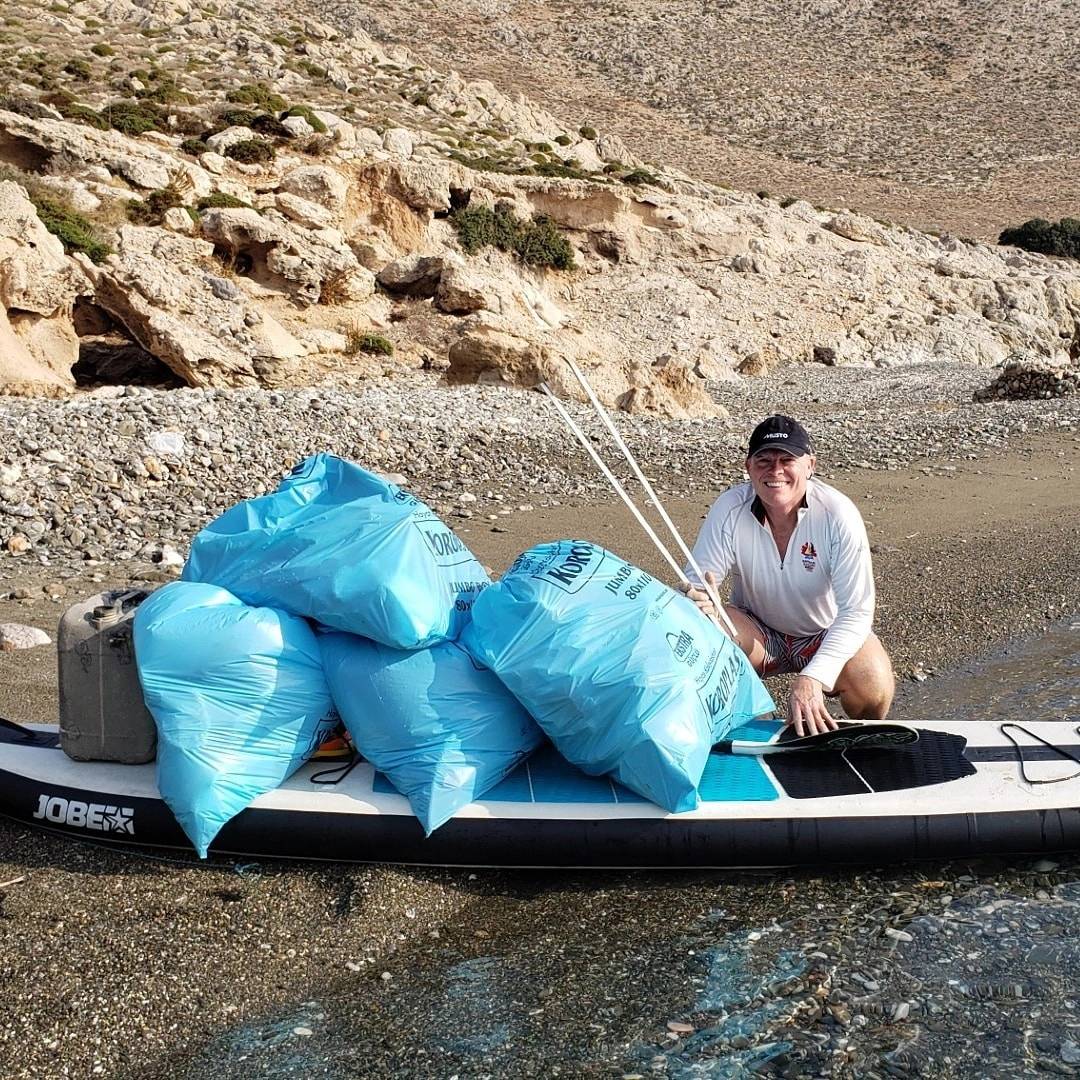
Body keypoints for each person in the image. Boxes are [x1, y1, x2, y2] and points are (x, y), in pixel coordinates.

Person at [684, 414, 894, 736]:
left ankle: (863, 740)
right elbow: (696, 586)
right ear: (748, 467)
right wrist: (697, 602)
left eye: (787, 460)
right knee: (702, 628)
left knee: (872, 679)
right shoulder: (729, 508)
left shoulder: (838, 515)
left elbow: (856, 612)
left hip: (822, 633)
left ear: (810, 465)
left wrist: (814, 677)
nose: (775, 471)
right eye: (764, 461)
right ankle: (750, 719)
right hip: (759, 633)